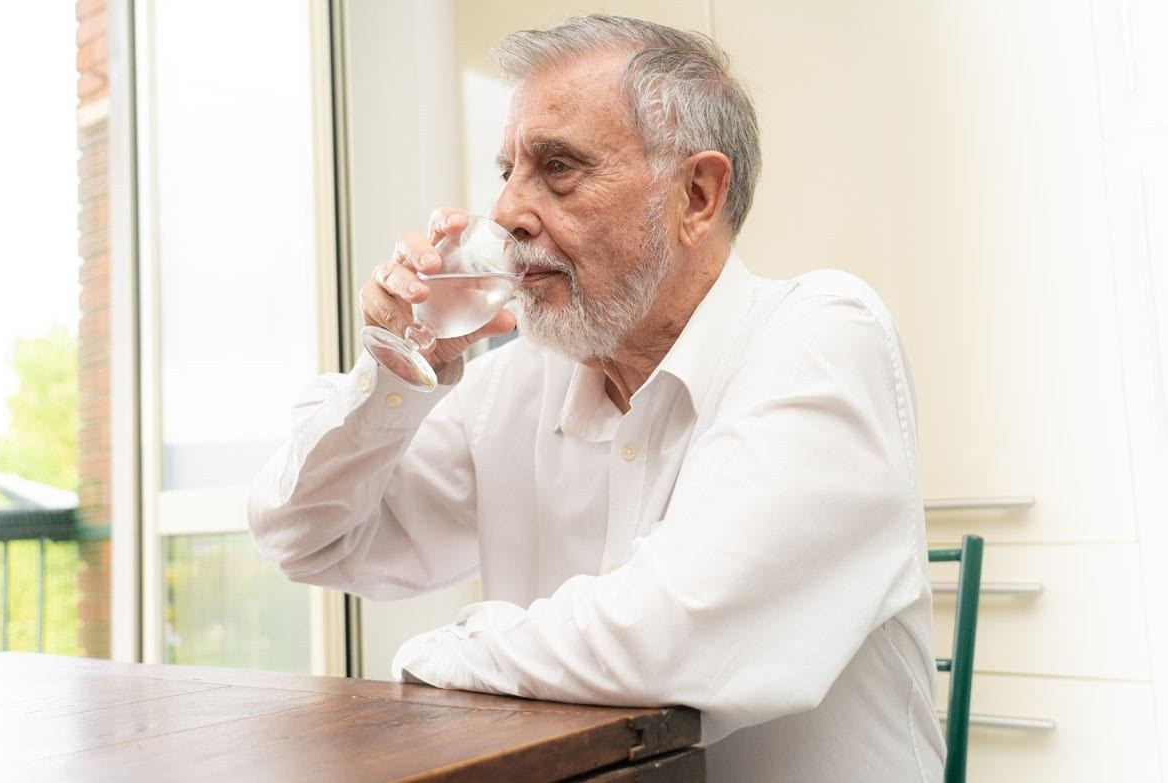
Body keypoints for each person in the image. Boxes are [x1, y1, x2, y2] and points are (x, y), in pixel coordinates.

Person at [249, 14, 943, 782]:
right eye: (506, 169)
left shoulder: (820, 334)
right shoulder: (516, 382)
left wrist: (443, 650)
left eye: (557, 168)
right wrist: (397, 371)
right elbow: (305, 537)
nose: (508, 210)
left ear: (696, 195)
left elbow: (675, 634)